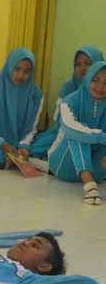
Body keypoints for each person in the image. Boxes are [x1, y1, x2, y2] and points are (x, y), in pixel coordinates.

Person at [48, 61, 106, 205]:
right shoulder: (69, 101)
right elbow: (71, 129)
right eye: (95, 80)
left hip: (98, 172)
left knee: (83, 132)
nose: (100, 87)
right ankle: (89, 186)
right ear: (87, 80)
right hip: (64, 166)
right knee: (78, 131)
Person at [31, 46, 104, 158]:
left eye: (87, 63)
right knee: (35, 149)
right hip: (67, 133)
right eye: (78, 64)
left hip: (100, 138)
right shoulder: (69, 88)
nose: (82, 68)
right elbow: (57, 119)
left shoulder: (102, 89)